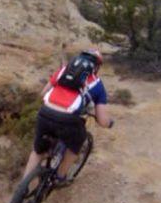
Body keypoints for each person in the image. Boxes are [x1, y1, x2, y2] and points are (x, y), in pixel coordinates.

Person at [22, 49, 114, 185]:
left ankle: (23, 188)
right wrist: (109, 123)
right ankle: (60, 177)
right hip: (68, 120)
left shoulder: (62, 71)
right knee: (76, 143)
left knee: (37, 151)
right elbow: (102, 120)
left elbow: (43, 94)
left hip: (45, 112)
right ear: (97, 67)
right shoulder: (97, 84)